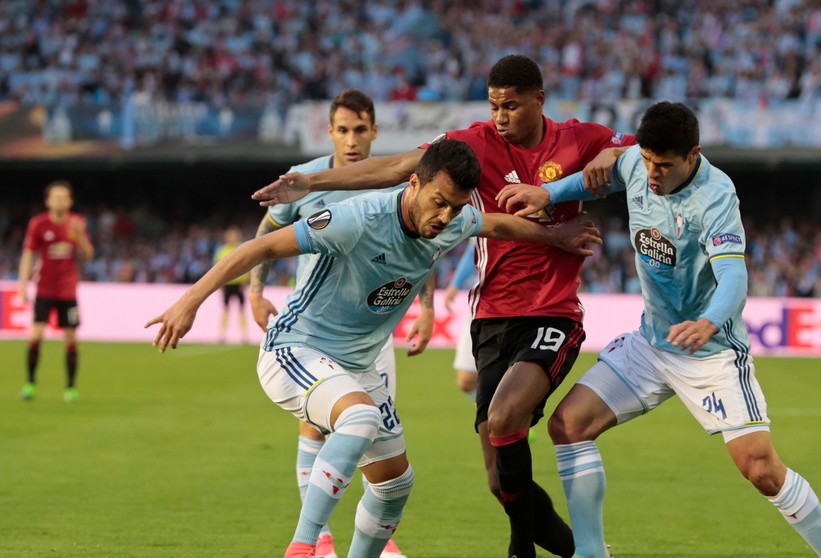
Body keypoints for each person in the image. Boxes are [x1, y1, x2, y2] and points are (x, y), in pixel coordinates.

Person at [252, 54, 636, 558]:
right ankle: (587, 552)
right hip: (492, 316)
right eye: (494, 105)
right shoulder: (472, 143)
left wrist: (618, 154)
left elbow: (645, 151)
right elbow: (394, 167)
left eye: (511, 105)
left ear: (539, 100)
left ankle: (520, 548)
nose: (500, 116)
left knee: (503, 419)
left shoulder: (579, 138)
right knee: (500, 481)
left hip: (551, 310)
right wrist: (313, 182)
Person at [147, 139, 602, 558]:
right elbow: (260, 247)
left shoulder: (455, 219)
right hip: (297, 348)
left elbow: (496, 224)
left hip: (359, 364)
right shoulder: (356, 220)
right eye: (438, 202)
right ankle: (303, 547)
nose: (445, 216)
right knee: (359, 418)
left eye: (456, 206)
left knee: (394, 485)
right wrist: (188, 303)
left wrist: (554, 237)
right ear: (413, 183)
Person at [496, 101, 821, 557]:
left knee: (760, 468)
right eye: (646, 161)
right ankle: (590, 552)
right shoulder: (636, 163)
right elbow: (597, 179)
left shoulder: (717, 195)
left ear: (693, 155)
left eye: (663, 166)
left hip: (710, 354)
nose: (652, 174)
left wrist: (708, 321)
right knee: (568, 424)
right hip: (652, 345)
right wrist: (550, 194)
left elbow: (735, 278)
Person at [248, 88, 426, 558]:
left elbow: (421, 245)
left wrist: (424, 309)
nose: (351, 140)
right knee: (321, 426)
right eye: (343, 130)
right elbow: (266, 234)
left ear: (375, 132)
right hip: (316, 327)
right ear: (330, 132)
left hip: (374, 330)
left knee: (371, 440)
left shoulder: (395, 181)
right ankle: (318, 538)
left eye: (360, 130)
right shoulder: (305, 179)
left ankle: (377, 539)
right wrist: (255, 290)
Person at [18, 180, 94, 403]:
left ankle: (70, 388)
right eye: (56, 197)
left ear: (70, 201)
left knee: (70, 338)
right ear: (48, 201)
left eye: (64, 197)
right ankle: (30, 383)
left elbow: (88, 255)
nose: (60, 200)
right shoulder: (38, 224)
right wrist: (23, 285)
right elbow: (28, 254)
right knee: (36, 334)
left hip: (68, 291)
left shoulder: (77, 223)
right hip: (44, 288)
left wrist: (79, 237)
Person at [444, 239, 478, 400]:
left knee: (503, 381)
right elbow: (474, 249)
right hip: (480, 306)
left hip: (521, 308)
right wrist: (455, 284)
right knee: (467, 380)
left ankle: (515, 423)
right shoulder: (483, 214)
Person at [214, 226, 250, 344]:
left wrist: (246, 281)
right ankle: (222, 335)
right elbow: (217, 268)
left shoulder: (242, 248)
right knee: (225, 310)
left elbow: (248, 265)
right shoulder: (222, 250)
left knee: (241, 310)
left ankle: (244, 335)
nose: (231, 238)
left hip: (239, 284)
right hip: (227, 284)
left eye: (233, 235)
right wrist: (219, 284)